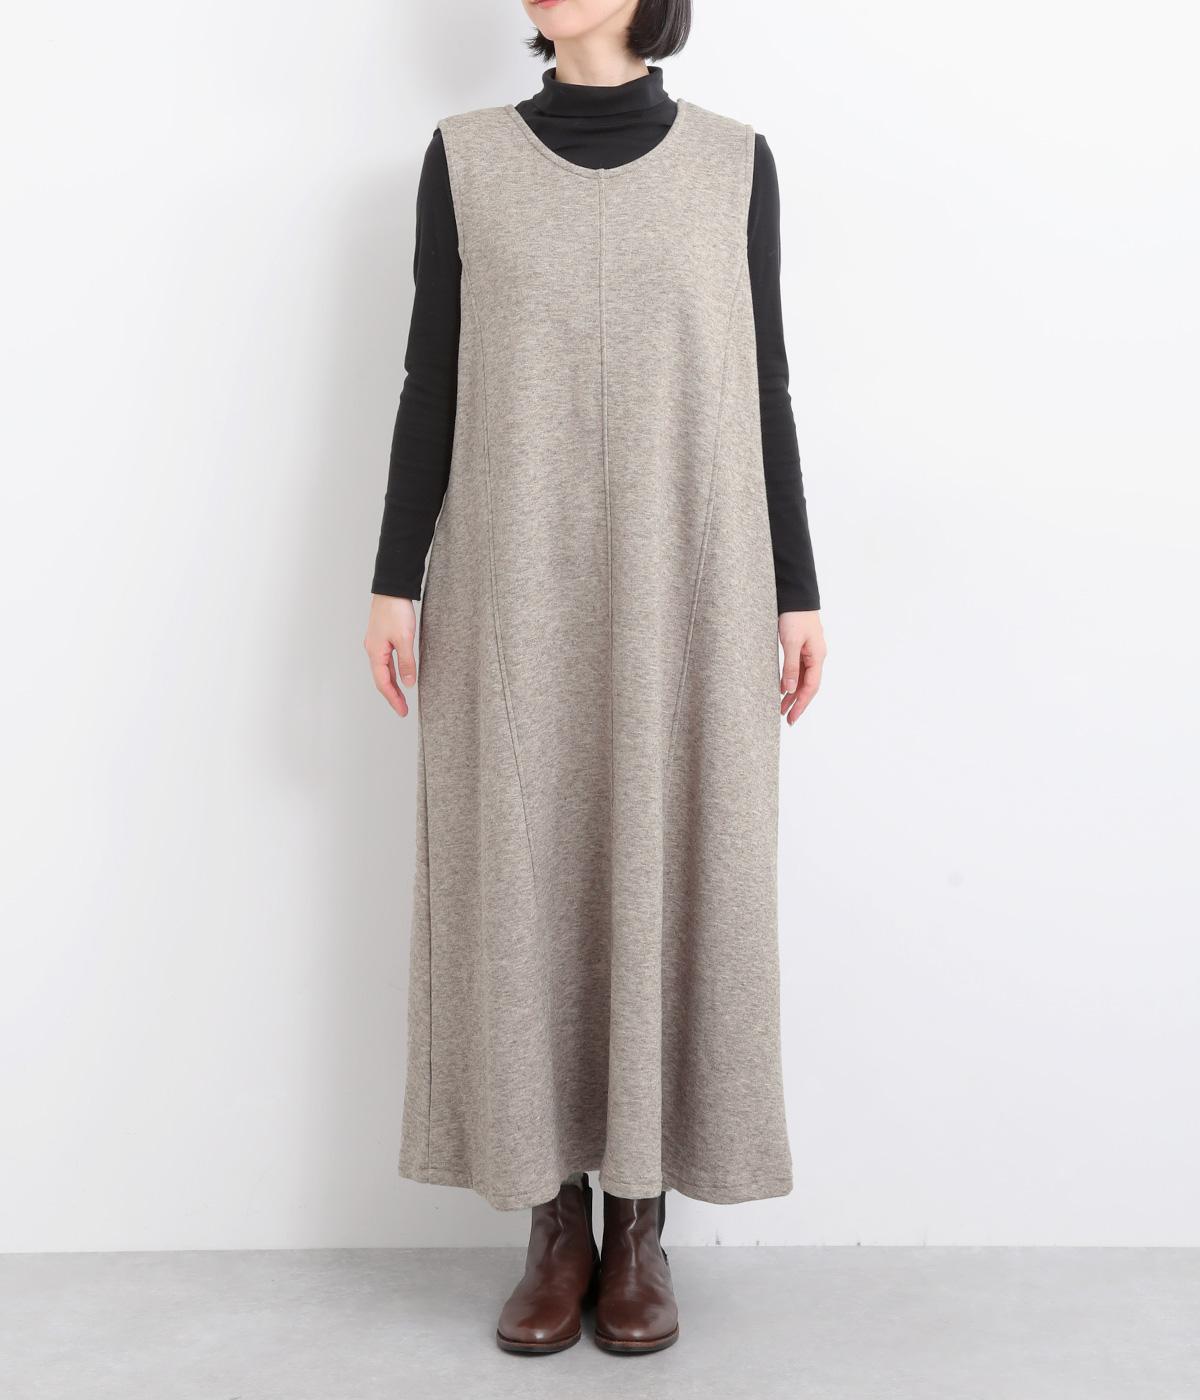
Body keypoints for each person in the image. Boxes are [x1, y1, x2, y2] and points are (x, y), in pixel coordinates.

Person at [363, 0, 827, 1357]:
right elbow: (431, 377)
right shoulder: (463, 157)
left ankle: (640, 1221)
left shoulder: (736, 163)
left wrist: (798, 587)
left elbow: (766, 383)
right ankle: (552, 1221)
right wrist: (395, 577)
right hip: (513, 586)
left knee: (672, 869)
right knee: (526, 882)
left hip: (690, 586)